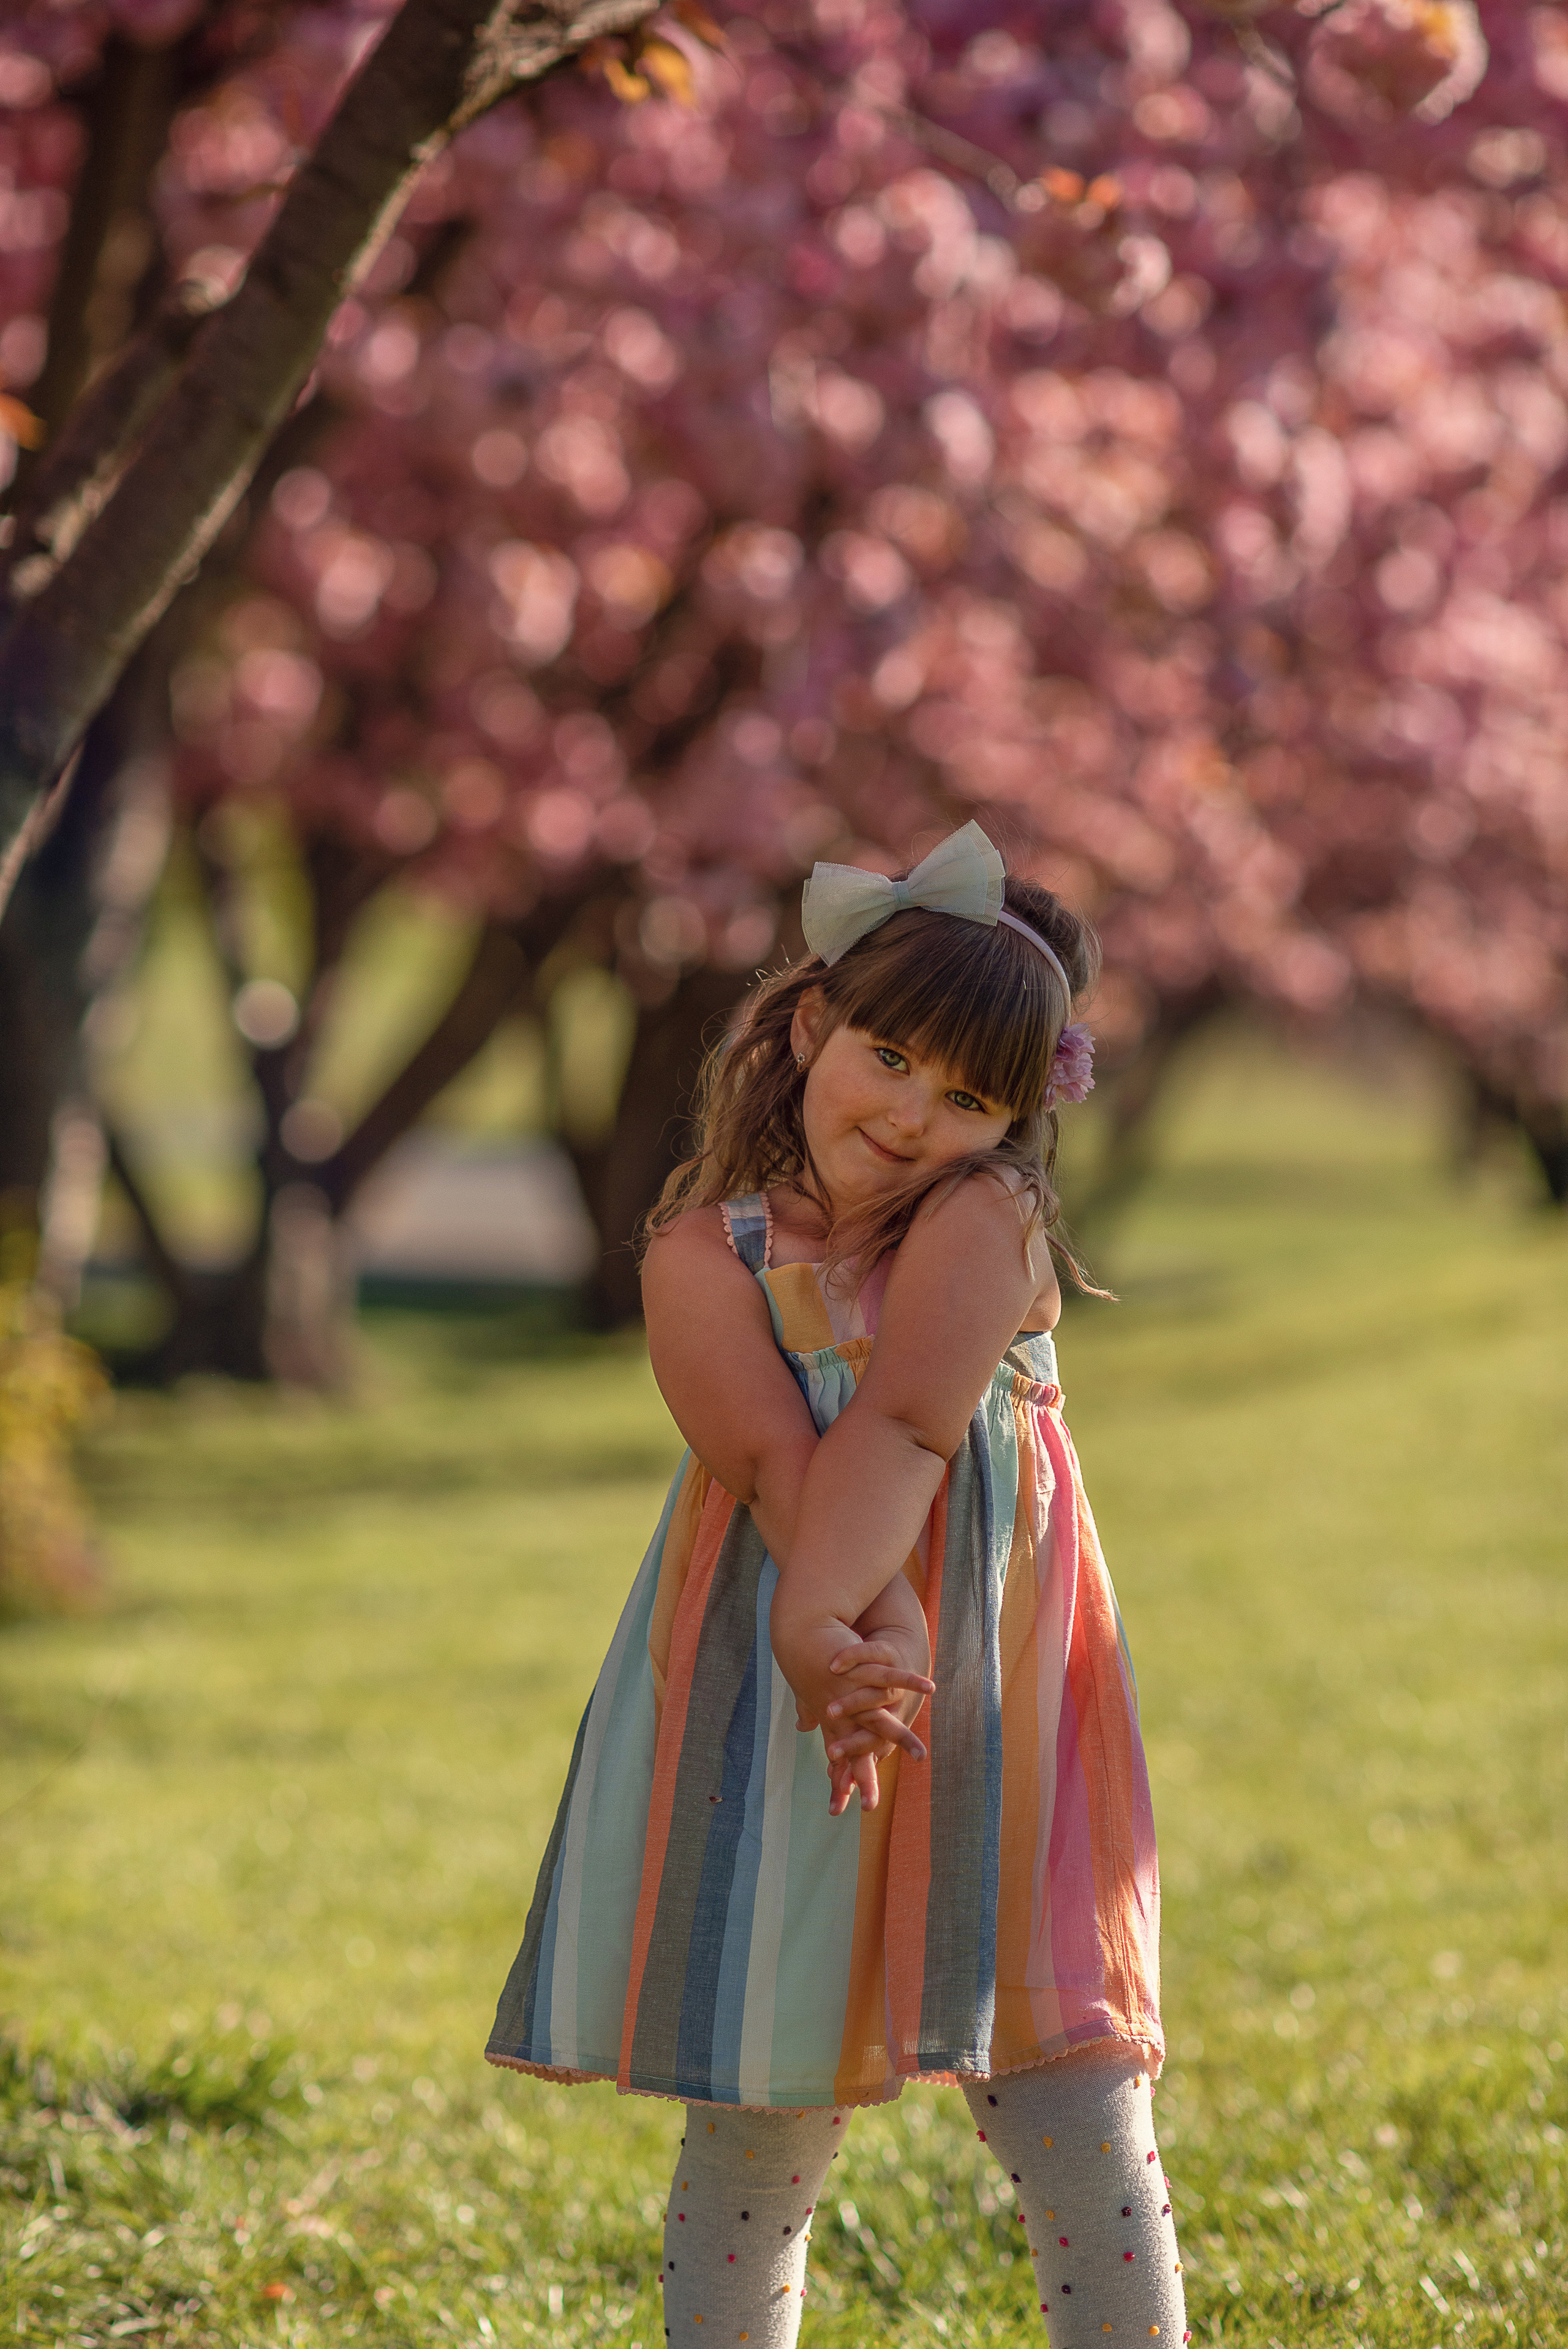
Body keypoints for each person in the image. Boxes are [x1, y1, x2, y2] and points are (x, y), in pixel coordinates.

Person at [487, 822, 1188, 2349]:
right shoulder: (700, 1254)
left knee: (1067, 2100)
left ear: (1016, 1118)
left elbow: (911, 1420)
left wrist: (841, 1616)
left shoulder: (980, 1219)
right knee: (759, 2111)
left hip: (984, 1694)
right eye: (887, 1057)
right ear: (809, 1026)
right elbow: (765, 1454)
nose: (914, 1114)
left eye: (969, 1097)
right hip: (782, 1699)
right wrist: (833, 1626)